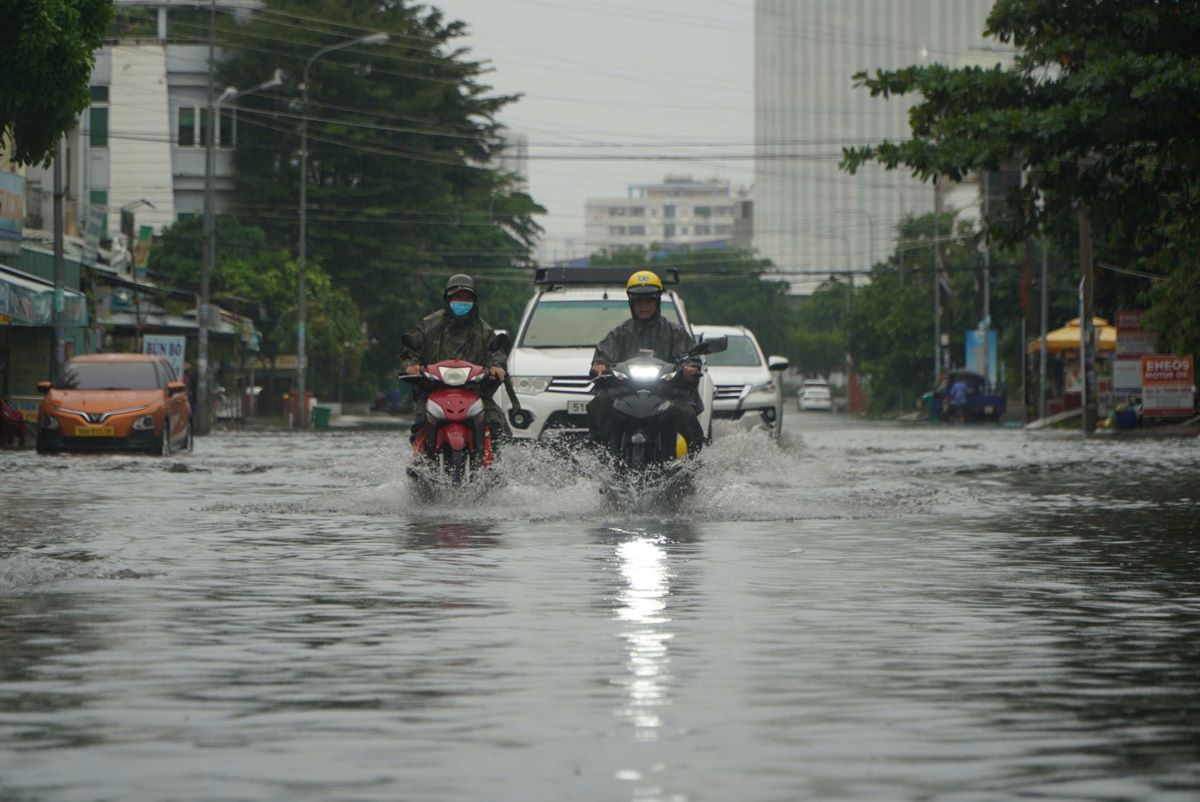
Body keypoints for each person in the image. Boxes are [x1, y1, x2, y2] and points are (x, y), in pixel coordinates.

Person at [587, 270, 705, 454]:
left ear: (657, 301)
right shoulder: (620, 333)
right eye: (638, 301)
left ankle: (694, 460)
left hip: (668, 389)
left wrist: (689, 368)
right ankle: (600, 454)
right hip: (626, 389)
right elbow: (604, 353)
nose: (643, 306)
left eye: (648, 300)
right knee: (600, 403)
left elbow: (690, 355)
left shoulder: (675, 332)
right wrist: (600, 365)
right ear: (631, 303)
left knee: (685, 412)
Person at [398, 274, 510, 448]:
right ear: (448, 299)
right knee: (421, 423)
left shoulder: (484, 330)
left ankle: (493, 466)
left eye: (467, 298)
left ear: (474, 301)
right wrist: (412, 365)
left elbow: (495, 353)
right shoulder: (429, 325)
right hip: (432, 390)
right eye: (458, 297)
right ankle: (419, 463)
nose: (462, 302)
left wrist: (496, 366)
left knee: (497, 424)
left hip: (474, 392)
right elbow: (411, 350)